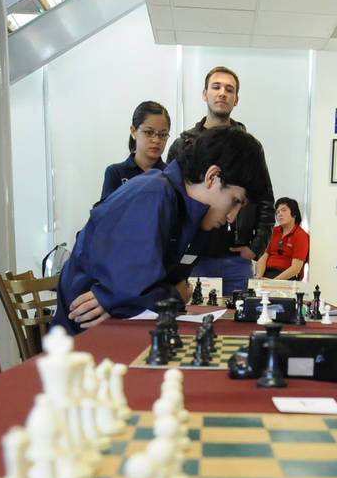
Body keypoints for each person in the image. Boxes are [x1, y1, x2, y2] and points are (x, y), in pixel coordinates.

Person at [58, 127, 266, 333]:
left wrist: (163, 295)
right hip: (84, 334)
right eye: (235, 201)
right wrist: (170, 295)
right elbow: (132, 294)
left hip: (121, 329)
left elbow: (165, 291)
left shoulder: (193, 218)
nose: (232, 217)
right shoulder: (153, 195)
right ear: (212, 177)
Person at [166, 66, 274, 297]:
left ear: (236, 99)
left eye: (229, 89)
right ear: (205, 94)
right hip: (194, 255)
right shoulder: (184, 145)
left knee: (239, 316)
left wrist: (256, 247)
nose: (222, 93)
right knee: (192, 315)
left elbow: (265, 199)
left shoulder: (249, 147)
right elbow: (171, 201)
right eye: (216, 87)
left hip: (236, 258)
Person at [100, 101, 170, 202]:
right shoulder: (116, 173)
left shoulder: (171, 175)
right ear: (133, 132)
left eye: (163, 134)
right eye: (149, 132)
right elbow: (108, 210)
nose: (156, 140)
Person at [254, 197, 309, 280]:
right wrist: (258, 278)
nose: (279, 214)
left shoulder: (301, 235)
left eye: (283, 210)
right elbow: (263, 257)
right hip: (267, 273)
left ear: (294, 213)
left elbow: (296, 268)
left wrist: (273, 282)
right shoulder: (274, 231)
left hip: (287, 277)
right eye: (277, 212)